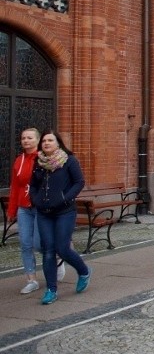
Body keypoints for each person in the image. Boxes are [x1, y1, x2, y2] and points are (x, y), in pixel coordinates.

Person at [29, 130, 90, 305]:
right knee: (48, 250)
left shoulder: (69, 161)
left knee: (62, 249)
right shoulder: (38, 162)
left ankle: (83, 271)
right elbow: (33, 185)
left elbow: (79, 182)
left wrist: (65, 198)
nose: (46, 143)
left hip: (65, 212)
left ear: (58, 143)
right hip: (44, 212)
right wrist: (36, 199)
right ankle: (51, 290)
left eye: (50, 140)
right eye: (44, 141)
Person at [8, 127, 65, 295]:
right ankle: (31, 279)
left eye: (30, 138)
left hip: (40, 207)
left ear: (37, 140)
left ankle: (57, 256)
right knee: (25, 244)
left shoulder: (43, 159)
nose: (26, 141)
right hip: (23, 208)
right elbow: (15, 186)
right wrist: (12, 209)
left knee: (39, 243)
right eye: (23, 138)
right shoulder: (19, 160)